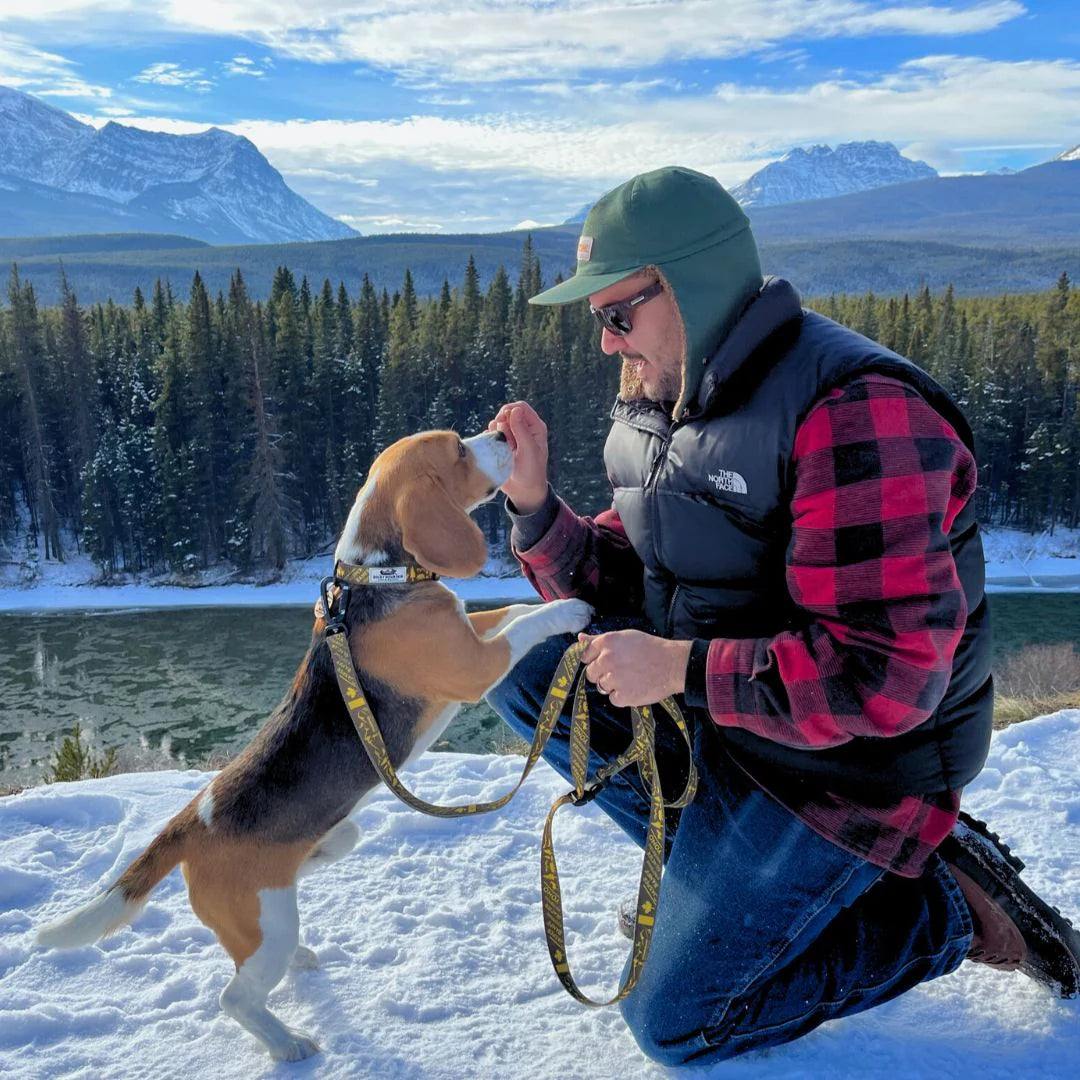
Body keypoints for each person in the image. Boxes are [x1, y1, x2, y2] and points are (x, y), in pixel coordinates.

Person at [485, 165, 1080, 1065]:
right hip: (741, 725)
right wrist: (536, 510)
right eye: (597, 321)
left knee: (677, 1021)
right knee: (526, 663)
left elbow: (884, 681)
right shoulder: (663, 406)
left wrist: (681, 670)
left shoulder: (856, 415)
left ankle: (941, 910)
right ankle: (722, 887)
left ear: (690, 285)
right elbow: (634, 585)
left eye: (618, 317)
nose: (607, 345)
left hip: (850, 772)